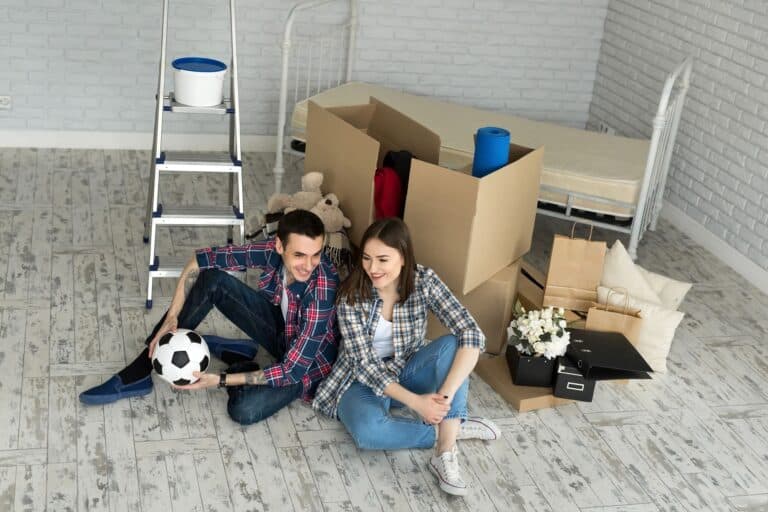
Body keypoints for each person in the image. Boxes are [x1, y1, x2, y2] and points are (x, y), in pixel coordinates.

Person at [80, 209, 339, 425]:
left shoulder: (321, 289)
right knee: (213, 279)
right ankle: (139, 370)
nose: (309, 264)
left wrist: (219, 380)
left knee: (243, 411)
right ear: (280, 245)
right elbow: (201, 259)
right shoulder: (271, 251)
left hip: (305, 367)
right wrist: (173, 316)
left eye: (316, 254)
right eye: (299, 255)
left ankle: (240, 360)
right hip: (283, 334)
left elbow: (291, 370)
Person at [312, 217, 500, 497]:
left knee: (453, 343)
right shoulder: (350, 294)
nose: (372, 268)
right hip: (359, 379)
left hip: (407, 368)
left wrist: (443, 400)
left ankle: (444, 452)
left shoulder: (424, 280)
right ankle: (452, 428)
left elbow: (472, 333)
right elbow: (364, 365)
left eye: (382, 259)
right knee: (368, 433)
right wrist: (417, 404)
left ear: (403, 257)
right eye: (366, 258)